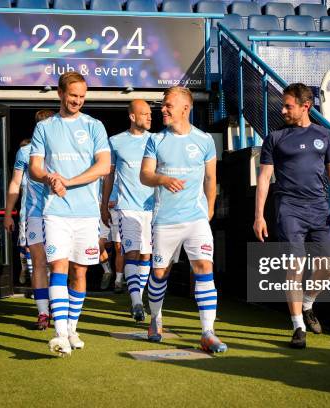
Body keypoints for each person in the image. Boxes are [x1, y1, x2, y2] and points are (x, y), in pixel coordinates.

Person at [253, 83, 330, 349]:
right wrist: (259, 216)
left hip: (320, 209)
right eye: (283, 105)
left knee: (328, 268)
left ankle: (308, 304)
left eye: (288, 105)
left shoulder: (324, 135)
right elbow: (264, 178)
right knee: (294, 268)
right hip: (289, 209)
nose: (283, 110)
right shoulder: (274, 138)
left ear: (305, 106)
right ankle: (298, 326)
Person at [29, 72, 111, 356]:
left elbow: (103, 166)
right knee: (59, 269)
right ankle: (60, 334)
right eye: (73, 95)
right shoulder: (45, 128)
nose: (77, 100)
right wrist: (50, 177)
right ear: (60, 94)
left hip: (87, 213)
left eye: (82, 96)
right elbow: (34, 167)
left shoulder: (94, 126)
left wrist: (68, 180)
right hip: (55, 212)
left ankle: (72, 327)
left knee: (80, 271)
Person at [140, 86, 227, 353]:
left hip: (196, 218)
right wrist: (163, 179)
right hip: (165, 219)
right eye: (163, 105)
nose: (162, 109)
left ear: (185, 109)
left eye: (168, 105)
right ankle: (155, 319)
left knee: (204, 268)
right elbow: (145, 175)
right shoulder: (156, 140)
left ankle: (207, 332)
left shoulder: (204, 140)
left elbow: (211, 178)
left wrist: (209, 208)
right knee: (159, 273)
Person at [103, 99, 154, 322]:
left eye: (150, 113)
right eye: (144, 114)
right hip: (127, 209)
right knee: (130, 253)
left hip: (153, 209)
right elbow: (109, 175)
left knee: (146, 255)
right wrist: (104, 204)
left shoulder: (157, 140)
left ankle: (139, 298)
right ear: (132, 116)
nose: (149, 117)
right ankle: (135, 303)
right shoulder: (115, 142)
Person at [4, 109, 54, 330]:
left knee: (61, 265)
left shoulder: (65, 148)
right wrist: (8, 213)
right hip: (33, 214)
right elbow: (15, 184)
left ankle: (59, 308)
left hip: (61, 214)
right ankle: (43, 312)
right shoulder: (25, 152)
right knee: (39, 263)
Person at [98, 179, 124, 292]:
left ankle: (118, 280)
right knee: (97, 244)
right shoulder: (96, 165)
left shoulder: (121, 165)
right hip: (99, 209)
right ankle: (107, 270)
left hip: (118, 210)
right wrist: (102, 204)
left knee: (119, 247)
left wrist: (118, 202)